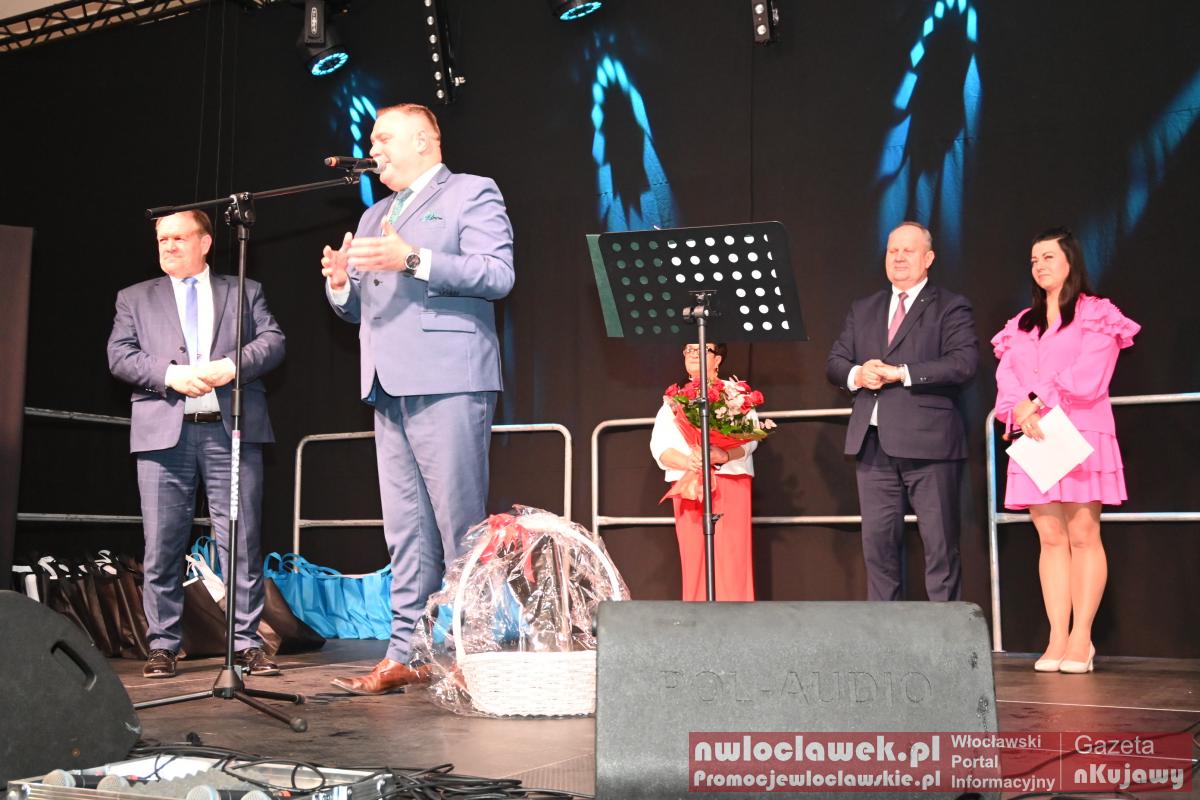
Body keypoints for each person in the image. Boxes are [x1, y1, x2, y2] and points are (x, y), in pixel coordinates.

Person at [320, 103, 514, 695]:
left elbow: (497, 274)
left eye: (383, 139)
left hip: (449, 378)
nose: (372, 150)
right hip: (387, 382)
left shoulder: (471, 192)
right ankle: (404, 653)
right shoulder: (375, 212)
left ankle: (474, 654)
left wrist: (412, 258)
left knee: (461, 527)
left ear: (425, 141)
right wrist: (339, 284)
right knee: (405, 531)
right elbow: (361, 304)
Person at [107, 210, 286, 679]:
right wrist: (170, 376)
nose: (168, 246)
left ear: (205, 242)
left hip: (232, 432)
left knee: (241, 542)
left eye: (179, 238)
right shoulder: (134, 297)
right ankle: (163, 644)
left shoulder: (244, 290)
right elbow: (119, 355)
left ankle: (246, 642)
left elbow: (273, 341)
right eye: (162, 239)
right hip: (164, 435)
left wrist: (233, 366)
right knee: (163, 543)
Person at [992, 227, 1138, 674]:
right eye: (1034, 260)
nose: (1039, 266)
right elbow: (1007, 377)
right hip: (1035, 436)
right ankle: (1057, 634)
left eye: (1048, 257)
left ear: (1070, 261)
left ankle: (1081, 638)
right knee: (1050, 537)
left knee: (1082, 534)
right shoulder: (1021, 323)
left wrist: (1035, 399)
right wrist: (1019, 407)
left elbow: (1089, 375)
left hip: (1080, 432)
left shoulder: (1096, 313)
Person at [826, 221, 978, 602]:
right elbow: (835, 363)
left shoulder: (950, 305)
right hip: (872, 446)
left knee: (940, 550)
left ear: (928, 258)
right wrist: (858, 374)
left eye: (908, 251)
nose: (898, 257)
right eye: (892, 250)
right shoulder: (864, 308)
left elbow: (962, 363)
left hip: (930, 446)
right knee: (878, 552)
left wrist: (903, 373)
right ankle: (886, 635)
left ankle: (943, 634)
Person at [650, 343, 757, 601]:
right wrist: (690, 461)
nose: (693, 354)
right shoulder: (673, 399)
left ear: (717, 359)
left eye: (701, 349)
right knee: (694, 560)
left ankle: (737, 620)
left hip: (730, 481)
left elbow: (751, 440)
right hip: (689, 485)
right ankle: (697, 620)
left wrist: (724, 454)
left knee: (733, 560)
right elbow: (660, 447)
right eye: (688, 350)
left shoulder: (736, 394)